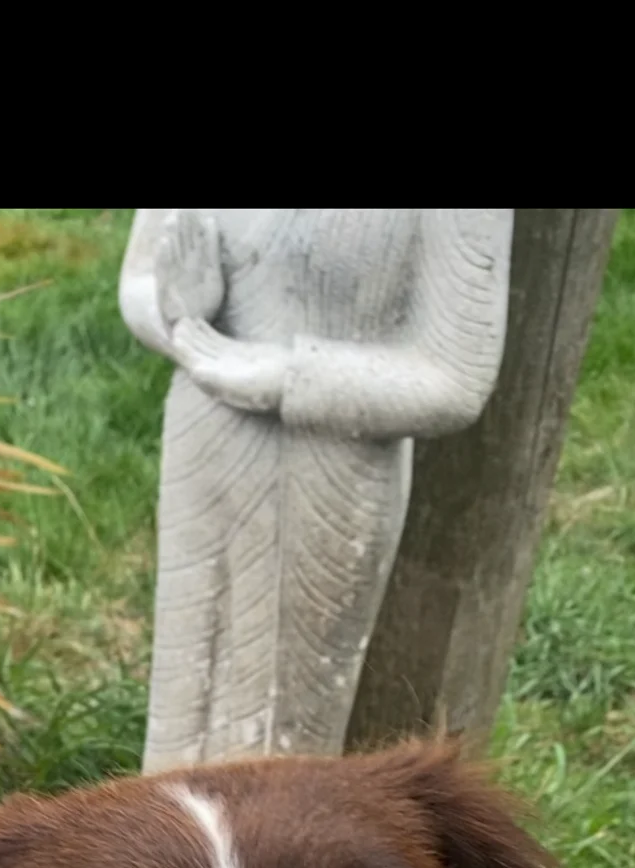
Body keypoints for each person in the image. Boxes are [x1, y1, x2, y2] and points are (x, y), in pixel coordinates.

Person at [120, 209, 513, 765]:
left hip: (330, 460)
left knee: (282, 723)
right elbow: (140, 279)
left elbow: (455, 378)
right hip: (206, 431)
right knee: (184, 698)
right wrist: (178, 311)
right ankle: (169, 843)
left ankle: (271, 850)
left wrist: (285, 375)